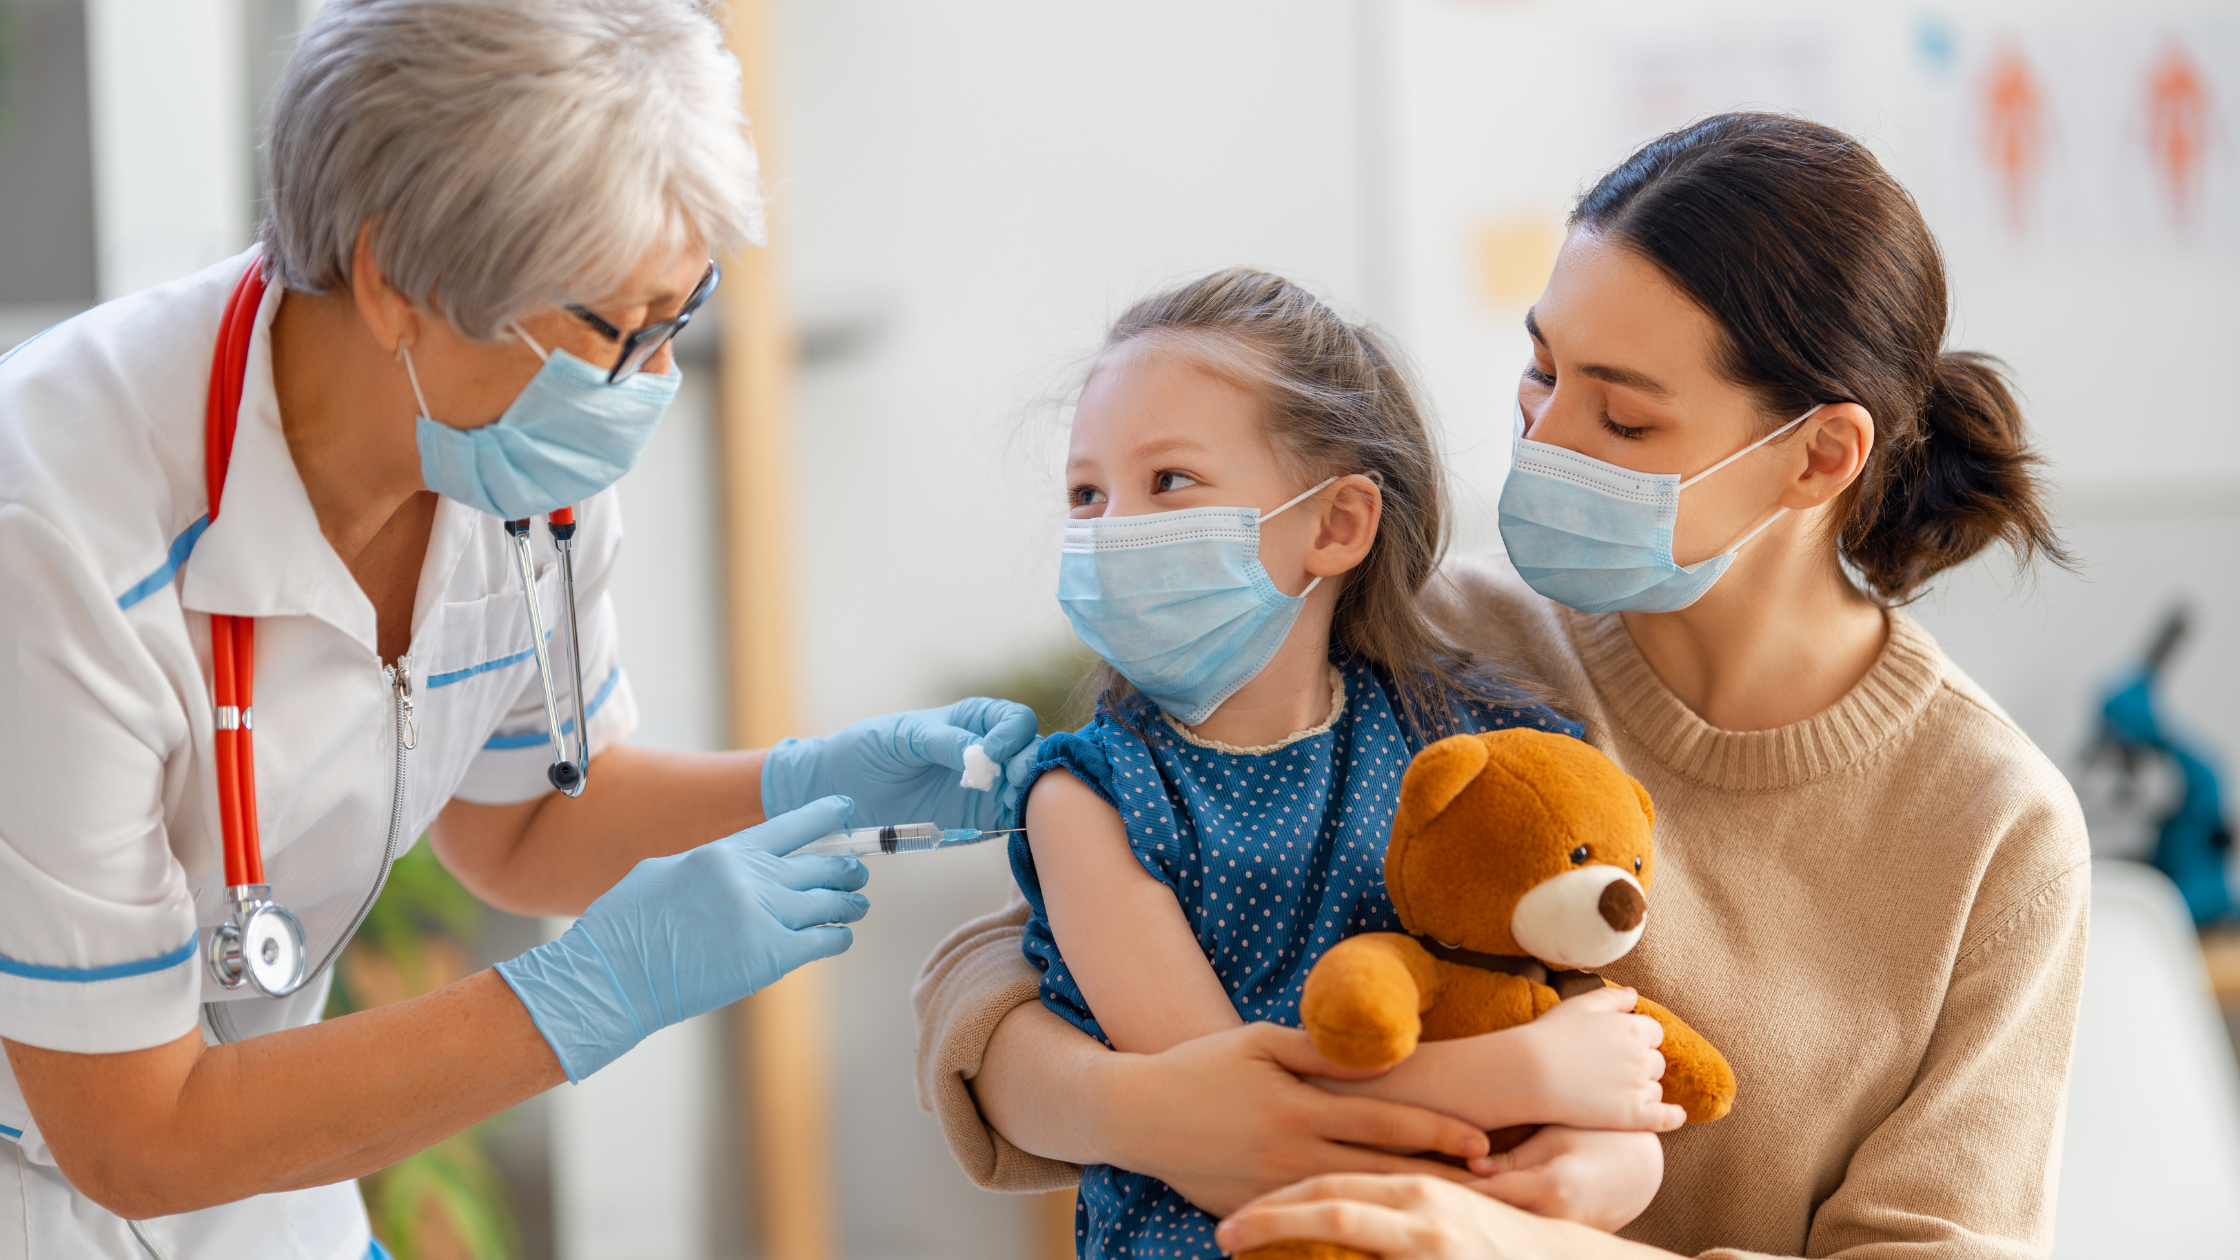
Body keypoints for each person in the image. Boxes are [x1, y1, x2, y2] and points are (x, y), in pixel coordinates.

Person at [914, 113, 2088, 1259]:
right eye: (1539, 372)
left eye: (1620, 415)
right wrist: (1144, 1112)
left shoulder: (1992, 832)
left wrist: (1512, 1240)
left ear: (1818, 456)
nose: (1543, 438)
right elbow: (1018, 949)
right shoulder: (1438, 642)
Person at [0, 3, 1034, 1257]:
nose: (646, 385)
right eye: (614, 330)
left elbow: (523, 819)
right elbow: (133, 1134)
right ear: (397, 280)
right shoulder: (50, 535)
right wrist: (585, 992)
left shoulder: (513, 464)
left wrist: (800, 785)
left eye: (681, 315)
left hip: (259, 1194)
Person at [1013, 269, 1681, 1257]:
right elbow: (1225, 1109)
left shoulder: (1476, 747)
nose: (1112, 531)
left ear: (1335, 525)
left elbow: (1601, 1057)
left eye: (1167, 481)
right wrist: (1521, 1078)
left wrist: (1598, 1172)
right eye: (1086, 492)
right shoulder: (1085, 801)